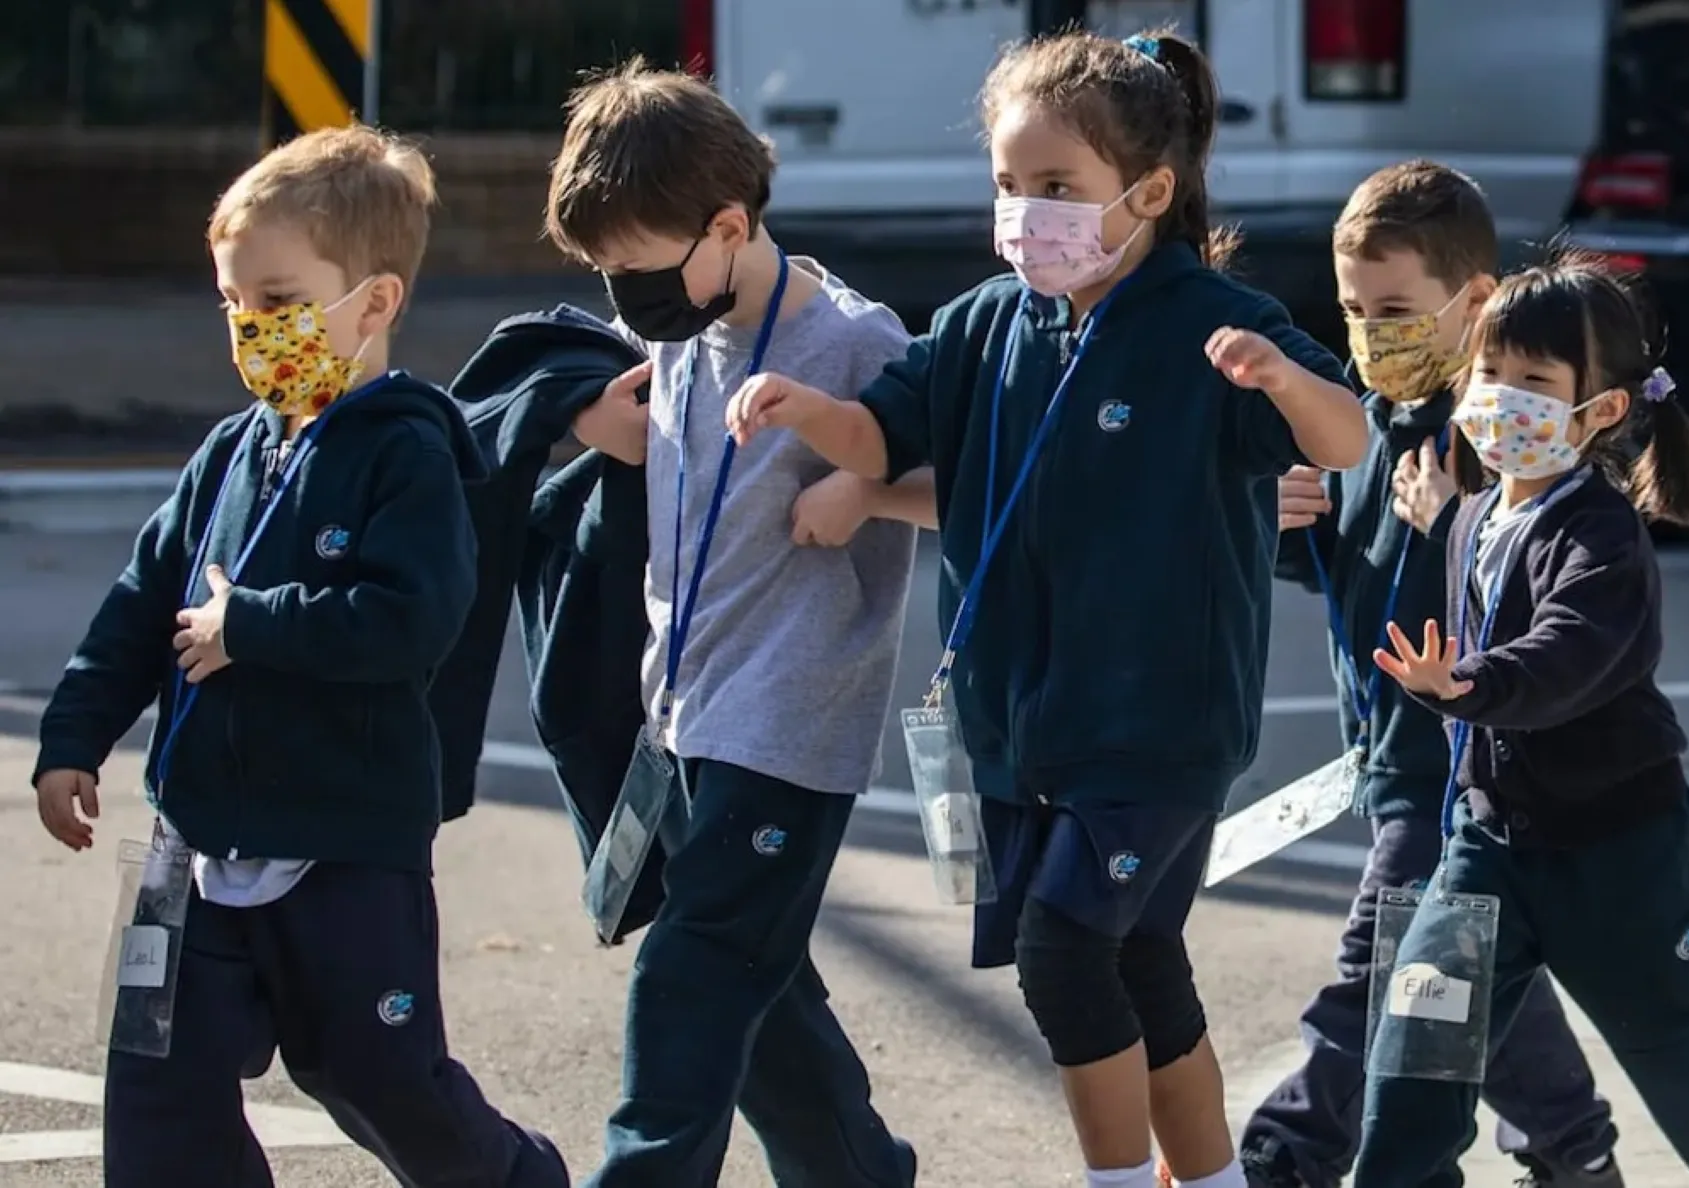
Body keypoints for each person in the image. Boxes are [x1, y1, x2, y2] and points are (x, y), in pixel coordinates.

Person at [726, 28, 1368, 1188]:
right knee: (1141, 965)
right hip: (1021, 730)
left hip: (1156, 729)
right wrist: (805, 413)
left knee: (1064, 955)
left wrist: (1282, 379)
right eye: (1007, 187)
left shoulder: (1207, 321)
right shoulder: (980, 324)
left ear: (1148, 192)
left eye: (1057, 189)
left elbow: (1344, 438)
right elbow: (883, 433)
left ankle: (1113, 1179)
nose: (1026, 214)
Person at [31, 125, 567, 1188]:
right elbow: (143, 600)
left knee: (379, 1076)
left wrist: (256, 625)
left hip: (342, 848)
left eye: (277, 304)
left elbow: (413, 621)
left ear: (373, 303)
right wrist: (71, 738)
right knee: (158, 1089)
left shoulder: (406, 450)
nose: (250, 330)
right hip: (194, 844)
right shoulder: (231, 450)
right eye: (234, 304)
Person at [1357, 256, 1689, 1188]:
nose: (1501, 400)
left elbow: (1566, 655)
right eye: (1490, 375)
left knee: (1681, 1050)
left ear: (1600, 410)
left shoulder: (1602, 534)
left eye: (1534, 383)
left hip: (1614, 854)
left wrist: (1467, 682)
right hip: (1482, 843)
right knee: (1417, 1042)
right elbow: (1473, 571)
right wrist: (1438, 522)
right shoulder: (1478, 512)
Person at [540, 59, 933, 1187]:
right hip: (687, 714)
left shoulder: (858, 343)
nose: (629, 298)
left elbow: (963, 486)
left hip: (793, 723)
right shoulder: (679, 336)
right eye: (607, 276)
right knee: (765, 998)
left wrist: (861, 485)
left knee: (693, 971)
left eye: (639, 270)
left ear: (726, 224)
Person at [1241, 162, 1624, 1188]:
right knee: (1466, 961)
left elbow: (1559, 589)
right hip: (1389, 756)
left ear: (1476, 301)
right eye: (1353, 308)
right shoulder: (1361, 417)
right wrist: (1283, 520)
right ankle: (1571, 1146)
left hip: (1466, 764)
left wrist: (1456, 516)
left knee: (1387, 960)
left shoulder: (1505, 434)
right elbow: (1354, 568)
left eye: (1396, 309)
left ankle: (1288, 1150)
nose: (1371, 330)